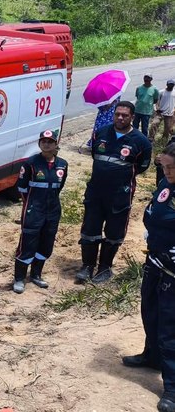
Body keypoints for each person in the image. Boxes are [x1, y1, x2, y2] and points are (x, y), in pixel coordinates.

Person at [121, 143, 175, 412]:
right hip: (155, 260)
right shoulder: (166, 184)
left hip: (173, 270)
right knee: (149, 311)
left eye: (171, 166)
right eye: (164, 165)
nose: (167, 171)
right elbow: (154, 210)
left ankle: (172, 387)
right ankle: (151, 356)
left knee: (169, 327)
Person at [76, 100, 152, 284]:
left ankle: (105, 268)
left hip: (120, 195)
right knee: (90, 229)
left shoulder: (141, 142)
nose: (120, 118)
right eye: (117, 114)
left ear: (132, 117)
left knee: (114, 231)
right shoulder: (101, 133)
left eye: (125, 115)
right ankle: (87, 266)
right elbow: (96, 155)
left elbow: (141, 166)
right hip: (96, 191)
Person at [12, 129, 69, 293]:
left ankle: (36, 275)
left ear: (56, 144)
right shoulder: (30, 164)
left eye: (50, 141)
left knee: (46, 243)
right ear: (39, 143)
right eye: (43, 141)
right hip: (34, 210)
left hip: (53, 210)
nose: (46, 144)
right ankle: (19, 278)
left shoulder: (62, 164)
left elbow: (59, 186)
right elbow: (22, 188)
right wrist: (31, 206)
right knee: (27, 243)